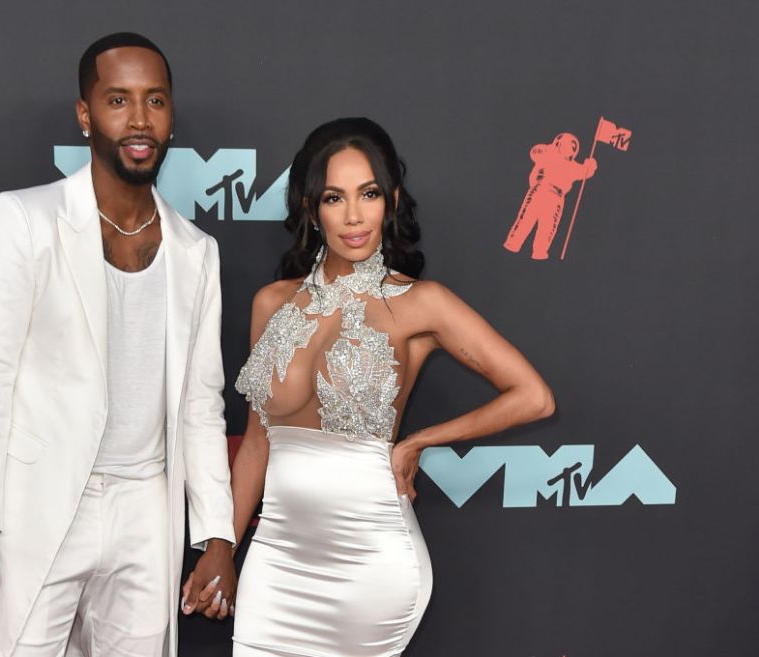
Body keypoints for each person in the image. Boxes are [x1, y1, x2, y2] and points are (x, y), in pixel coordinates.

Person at [215, 117, 554, 656]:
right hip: (275, 562)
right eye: (334, 197)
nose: (354, 216)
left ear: (390, 200)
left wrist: (419, 441)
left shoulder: (419, 303)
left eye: (368, 194)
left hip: (370, 566)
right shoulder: (271, 304)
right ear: (310, 208)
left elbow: (534, 396)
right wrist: (223, 549)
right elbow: (256, 445)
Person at [0, 32, 235, 657]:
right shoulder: (22, 221)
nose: (139, 120)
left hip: (146, 513)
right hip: (38, 509)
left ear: (171, 115)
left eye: (155, 101)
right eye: (118, 100)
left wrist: (217, 534)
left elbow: (200, 407)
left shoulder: (197, 252)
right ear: (85, 114)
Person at [503, 132, 597, 260]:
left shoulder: (572, 166)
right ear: (558, 143)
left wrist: (590, 166)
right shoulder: (547, 153)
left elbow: (584, 172)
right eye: (568, 144)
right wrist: (548, 149)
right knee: (526, 218)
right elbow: (534, 152)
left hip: (556, 197)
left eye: (573, 147)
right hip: (539, 189)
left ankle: (540, 253)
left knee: (548, 227)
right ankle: (513, 244)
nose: (570, 148)